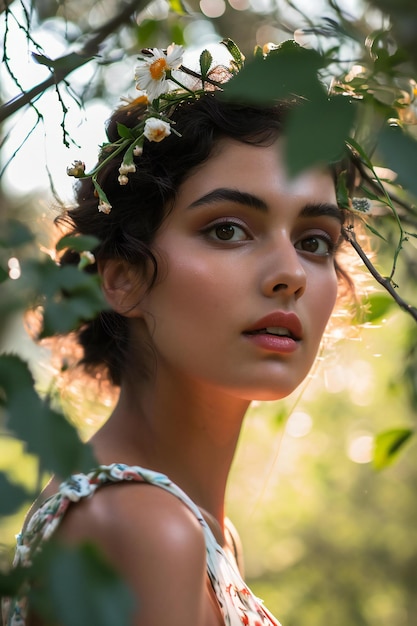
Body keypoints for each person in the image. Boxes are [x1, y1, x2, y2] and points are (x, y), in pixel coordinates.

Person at [2, 42, 354, 626]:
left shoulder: (199, 532)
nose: (291, 273)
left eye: (315, 240)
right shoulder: (144, 529)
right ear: (124, 278)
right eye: (228, 230)